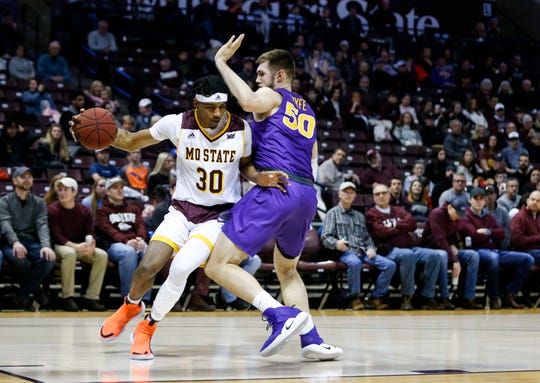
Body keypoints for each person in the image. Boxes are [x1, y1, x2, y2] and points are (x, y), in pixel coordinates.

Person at [86, 75, 267, 359]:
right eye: (210, 107)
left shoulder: (242, 128)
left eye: (222, 107)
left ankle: (147, 327)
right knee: (149, 265)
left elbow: (245, 165)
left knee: (180, 269)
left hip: (217, 217)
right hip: (181, 210)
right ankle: (132, 305)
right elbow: (132, 141)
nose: (218, 113)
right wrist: (97, 135)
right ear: (196, 103)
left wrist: (259, 177)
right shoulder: (177, 123)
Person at [205, 34, 342, 360]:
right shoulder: (307, 110)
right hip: (306, 194)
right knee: (288, 270)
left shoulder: (273, 95)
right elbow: (313, 159)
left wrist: (221, 62)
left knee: (218, 264)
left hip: (277, 188)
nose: (257, 80)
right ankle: (311, 339)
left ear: (279, 76)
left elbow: (249, 101)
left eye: (261, 74)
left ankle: (280, 315)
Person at [366, 183, 444, 310]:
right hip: (388, 250)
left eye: (384, 193)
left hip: (410, 247)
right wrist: (402, 226)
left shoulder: (398, 210)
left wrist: (394, 225)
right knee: (408, 255)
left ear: (389, 195)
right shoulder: (371, 214)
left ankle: (426, 297)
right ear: (374, 197)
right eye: (377, 194)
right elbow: (381, 232)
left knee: (434, 256)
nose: (381, 196)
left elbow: (412, 223)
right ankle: (407, 297)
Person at [321, 182, 396, 311]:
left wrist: (372, 248)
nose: (348, 195)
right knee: (354, 263)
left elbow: (367, 238)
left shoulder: (359, 216)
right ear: (339, 194)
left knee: (390, 265)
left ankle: (376, 297)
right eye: (345, 192)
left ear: (355, 195)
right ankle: (354, 298)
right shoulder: (332, 214)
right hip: (345, 252)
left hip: (362, 251)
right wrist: (336, 243)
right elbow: (325, 237)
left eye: (351, 192)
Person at [458, 187, 533, 309]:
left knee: (527, 259)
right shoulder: (465, 218)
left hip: (495, 251)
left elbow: (502, 233)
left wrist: (487, 232)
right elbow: (474, 236)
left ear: (484, 201)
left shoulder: (488, 217)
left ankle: (510, 293)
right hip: (477, 252)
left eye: (481, 199)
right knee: (493, 259)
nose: (478, 201)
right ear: (469, 200)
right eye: (475, 199)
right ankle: (494, 297)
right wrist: (492, 235)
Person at [47, 177, 108, 312]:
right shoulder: (52, 210)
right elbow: (57, 235)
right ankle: (67, 298)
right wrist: (75, 246)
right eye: (60, 190)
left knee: (101, 255)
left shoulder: (84, 211)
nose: (62, 193)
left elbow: (89, 232)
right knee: (69, 253)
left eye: (66, 190)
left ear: (74, 192)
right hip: (59, 246)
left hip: (79, 246)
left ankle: (91, 298)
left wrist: (90, 244)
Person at [0, 167, 56, 310]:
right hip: (10, 242)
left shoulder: (39, 202)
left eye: (29, 177)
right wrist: (15, 242)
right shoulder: (4, 201)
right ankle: (37, 291)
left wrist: (45, 245)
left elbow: (42, 224)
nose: (27, 179)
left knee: (49, 258)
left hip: (31, 241)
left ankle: (21, 295)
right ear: (14, 180)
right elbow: (5, 223)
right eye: (23, 177)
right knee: (18, 260)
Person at [95, 176, 152, 304]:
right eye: (115, 188)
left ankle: (146, 298)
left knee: (148, 252)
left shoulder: (134, 209)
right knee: (128, 253)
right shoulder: (102, 211)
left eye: (121, 187)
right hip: (114, 245)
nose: (120, 190)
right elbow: (109, 231)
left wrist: (141, 239)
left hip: (135, 242)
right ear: (108, 191)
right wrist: (127, 241)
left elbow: (141, 226)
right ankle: (128, 298)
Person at [422, 196, 482, 309]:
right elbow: (439, 240)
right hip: (432, 248)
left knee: (473, 255)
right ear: (449, 207)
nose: (459, 216)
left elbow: (452, 236)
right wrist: (455, 259)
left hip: (447, 248)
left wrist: (454, 246)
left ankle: (468, 297)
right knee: (443, 255)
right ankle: (445, 298)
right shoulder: (436, 214)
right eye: (457, 213)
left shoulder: (455, 216)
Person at [510, 191, 540, 267]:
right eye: (532, 199)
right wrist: (537, 238)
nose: (535, 202)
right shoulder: (519, 217)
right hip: (524, 251)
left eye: (538, 201)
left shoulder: (538, 216)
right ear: (527, 201)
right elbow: (516, 240)